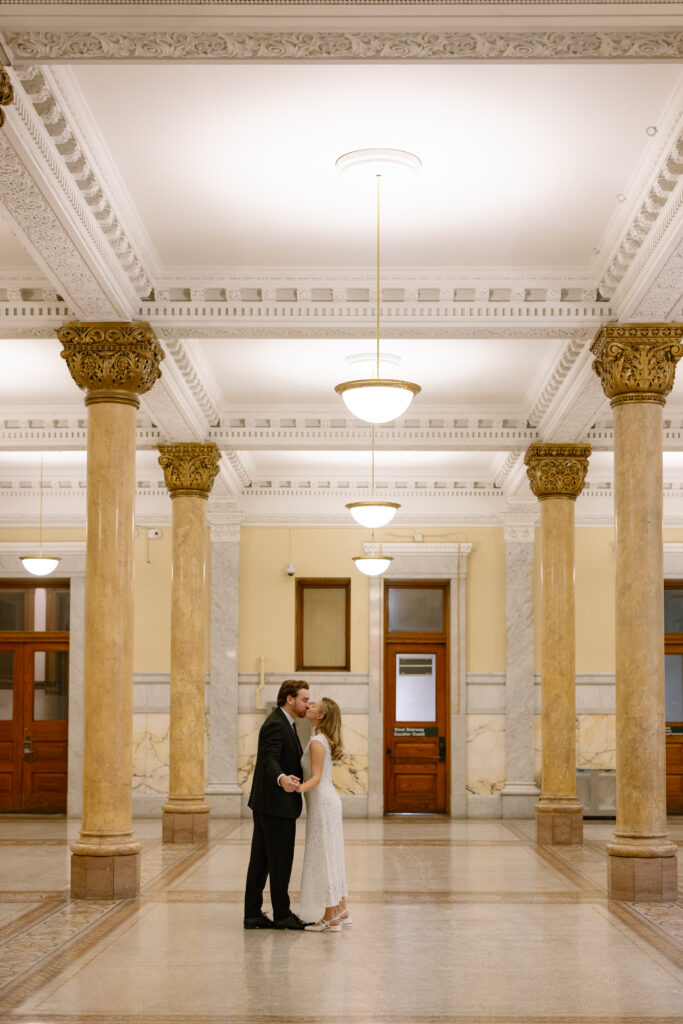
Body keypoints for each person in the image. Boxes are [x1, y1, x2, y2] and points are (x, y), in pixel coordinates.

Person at [244, 679, 310, 930]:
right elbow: (269, 760)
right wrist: (281, 778)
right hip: (276, 805)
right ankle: (282, 914)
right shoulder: (276, 724)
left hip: (269, 805)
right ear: (289, 699)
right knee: (280, 860)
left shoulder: (285, 722)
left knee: (261, 861)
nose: (307, 704)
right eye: (304, 699)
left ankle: (252, 914)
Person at [297, 697, 350, 932]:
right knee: (333, 853)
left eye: (314, 706)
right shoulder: (320, 739)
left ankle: (330, 916)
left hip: (323, 802)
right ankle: (341, 907)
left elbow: (316, 778)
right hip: (327, 801)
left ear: (321, 716)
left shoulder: (318, 742)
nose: (309, 706)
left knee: (327, 856)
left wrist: (296, 787)